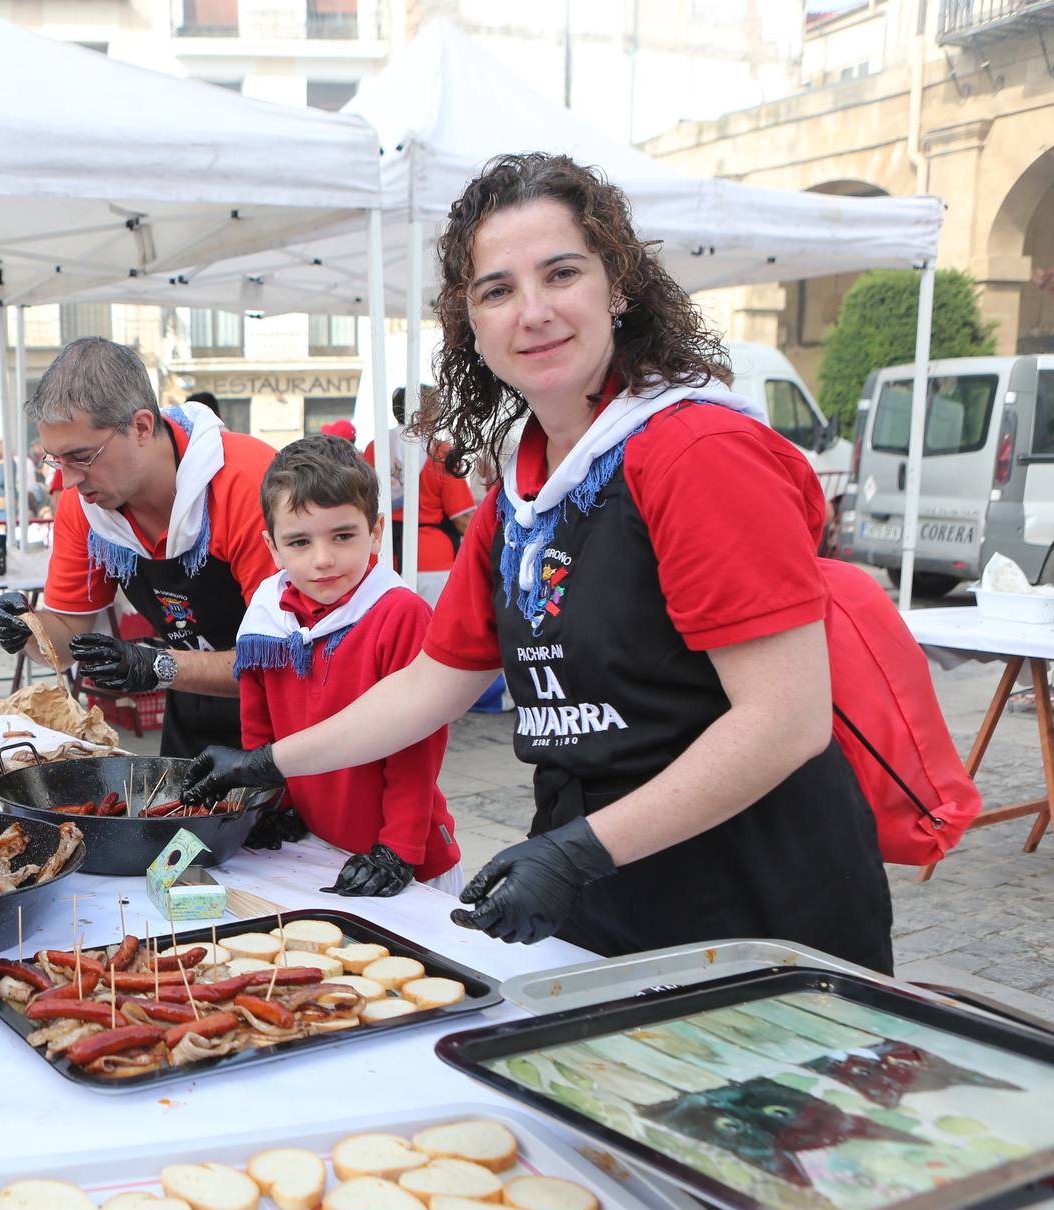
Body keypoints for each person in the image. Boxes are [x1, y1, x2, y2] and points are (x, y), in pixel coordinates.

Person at [184, 152, 892, 970]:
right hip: (599, 886)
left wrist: (576, 852)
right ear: (470, 326)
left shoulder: (697, 450)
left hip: (752, 896)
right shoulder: (521, 491)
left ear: (616, 286)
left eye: (560, 274)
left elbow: (783, 720)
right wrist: (268, 761)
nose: (533, 312)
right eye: (496, 290)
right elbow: (429, 685)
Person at [0, 337, 279, 756]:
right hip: (191, 710)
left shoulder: (246, 483)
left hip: (286, 721)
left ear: (141, 426)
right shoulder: (84, 507)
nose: (68, 481)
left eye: (81, 457)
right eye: (55, 460)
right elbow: (66, 641)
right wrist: (25, 630)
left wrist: (157, 665)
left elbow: (284, 659)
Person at [234, 435, 461, 896]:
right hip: (317, 846)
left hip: (404, 857)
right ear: (272, 547)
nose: (323, 559)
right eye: (299, 541)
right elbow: (260, 731)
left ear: (375, 532)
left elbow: (416, 748)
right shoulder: (266, 613)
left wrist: (398, 849)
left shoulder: (400, 613)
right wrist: (272, 804)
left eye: (343, 536)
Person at [374, 386, 477, 603]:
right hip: (433, 560)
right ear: (426, 413)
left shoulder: (375, 448)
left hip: (384, 558)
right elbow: (463, 519)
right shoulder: (440, 453)